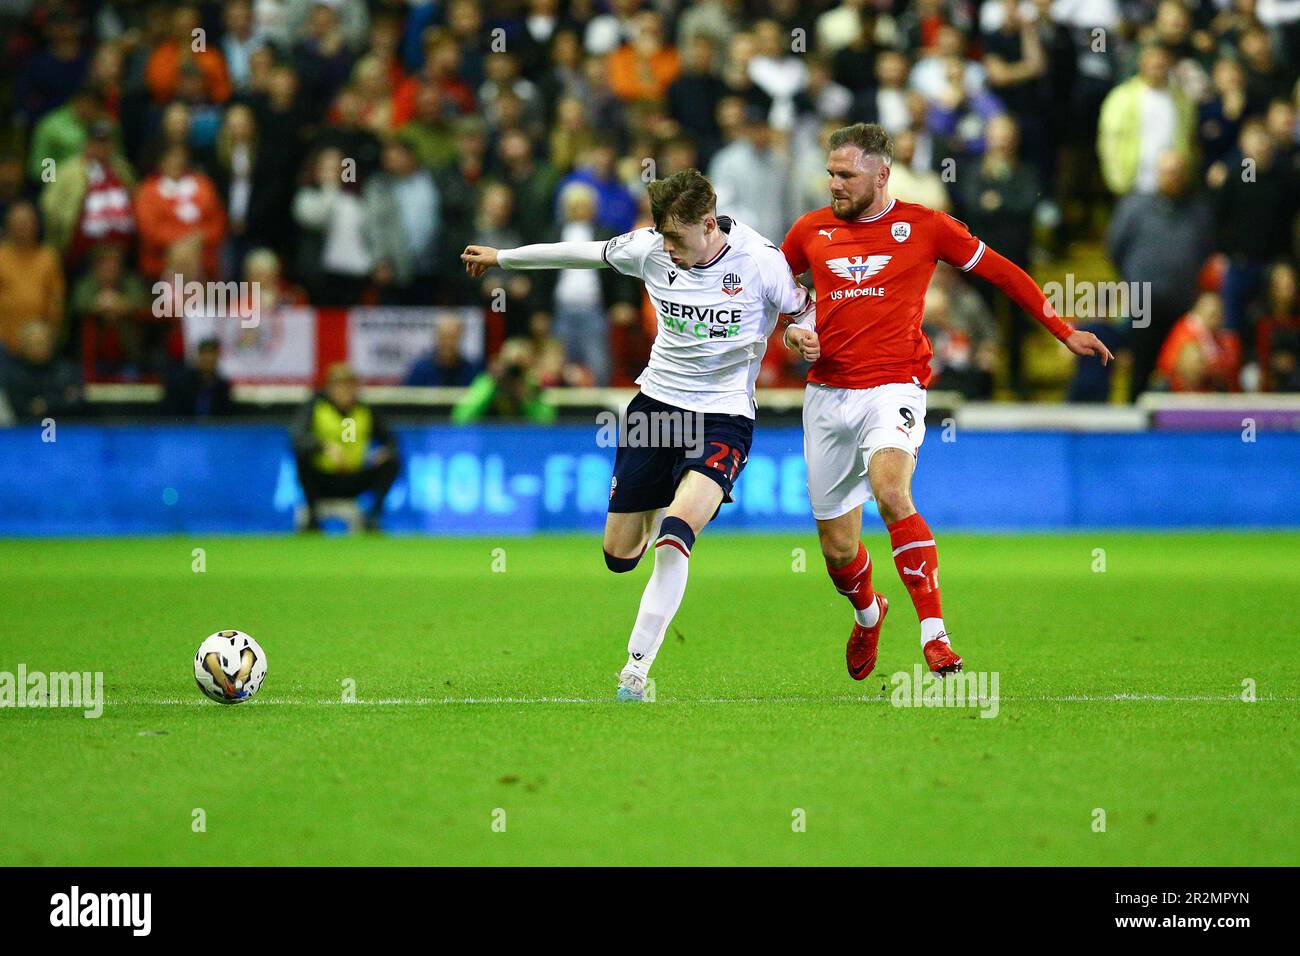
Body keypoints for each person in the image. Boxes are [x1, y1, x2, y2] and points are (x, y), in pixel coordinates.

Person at [461, 167, 814, 701]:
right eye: (661, 234)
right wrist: (502, 258)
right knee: (620, 555)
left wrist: (800, 337)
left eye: (675, 235)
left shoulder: (761, 261)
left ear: (708, 222)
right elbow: (578, 253)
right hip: (655, 410)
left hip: (722, 417)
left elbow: (804, 311)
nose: (665, 246)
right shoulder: (649, 248)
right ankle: (656, 504)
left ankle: (635, 670)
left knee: (677, 534)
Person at [780, 123, 1111, 681]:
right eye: (831, 173)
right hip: (827, 394)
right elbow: (777, 296)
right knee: (839, 551)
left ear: (881, 175)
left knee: (892, 492)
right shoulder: (809, 230)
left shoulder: (926, 227)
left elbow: (1002, 272)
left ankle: (935, 635)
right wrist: (793, 331)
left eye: (845, 175)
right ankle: (868, 612)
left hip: (894, 385)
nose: (833, 184)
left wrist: (1060, 329)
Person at [291, 363, 400, 532]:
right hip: (323, 478)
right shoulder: (316, 408)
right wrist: (323, 446)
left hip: (353, 477)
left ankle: (373, 517)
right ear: (330, 388)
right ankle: (313, 518)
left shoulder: (366, 411)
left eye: (350, 386)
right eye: (340, 386)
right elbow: (297, 438)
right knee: (301, 458)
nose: (345, 391)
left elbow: (392, 442)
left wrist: (384, 451)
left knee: (392, 462)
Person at [163, 337, 235, 417]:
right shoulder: (182, 383)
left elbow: (225, 418)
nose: (208, 359)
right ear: (198, 356)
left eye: (212, 354)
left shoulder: (223, 387)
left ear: (217, 357)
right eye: (204, 354)